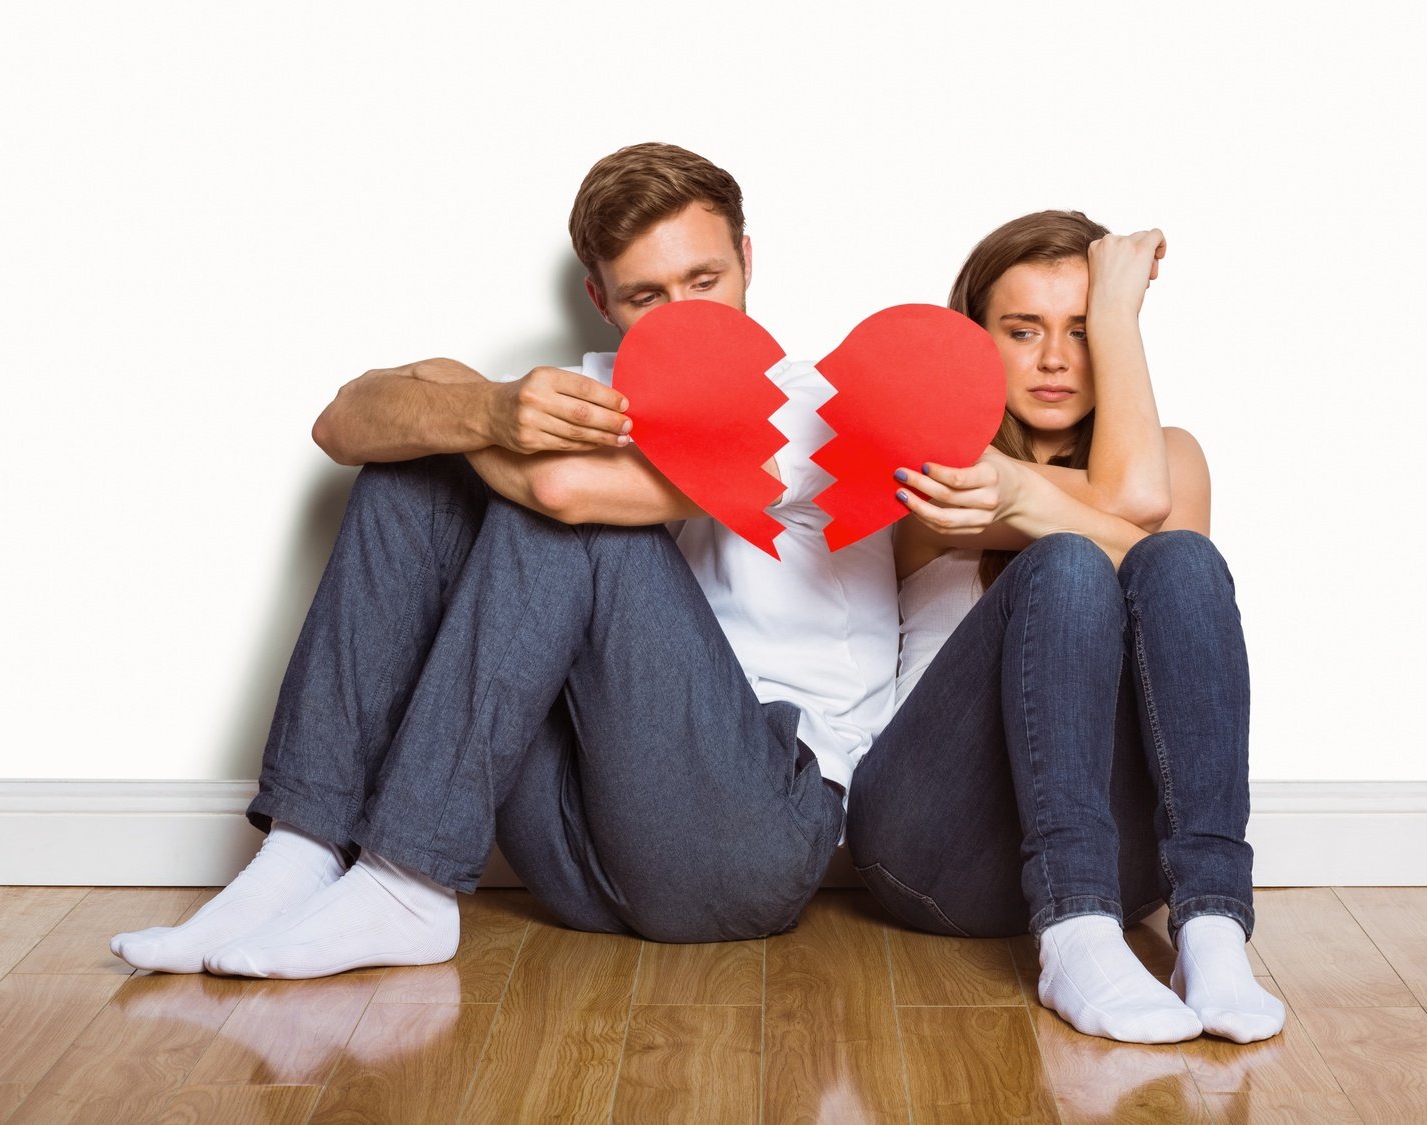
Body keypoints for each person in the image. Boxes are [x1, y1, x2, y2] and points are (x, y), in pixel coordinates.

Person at [110, 142, 898, 978]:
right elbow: (343, 423)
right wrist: (481, 405)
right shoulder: (594, 393)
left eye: (705, 281)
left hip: (751, 841)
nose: (685, 317)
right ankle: (298, 857)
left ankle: (407, 884)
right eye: (646, 295)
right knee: (414, 466)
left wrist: (466, 409)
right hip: (583, 847)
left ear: (747, 260)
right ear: (600, 299)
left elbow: (564, 495)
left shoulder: (821, 411)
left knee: (551, 502)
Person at [845, 210, 1284, 1044]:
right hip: (931, 840)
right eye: (1022, 330)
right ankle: (1075, 934)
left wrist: (1120, 320)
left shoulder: (1173, 459)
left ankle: (1214, 927)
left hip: (1126, 864)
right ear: (975, 338)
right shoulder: (933, 457)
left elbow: (1149, 515)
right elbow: (1126, 512)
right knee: (1070, 563)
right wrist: (1029, 501)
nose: (1055, 358)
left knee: (1182, 562)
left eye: (1084, 331)